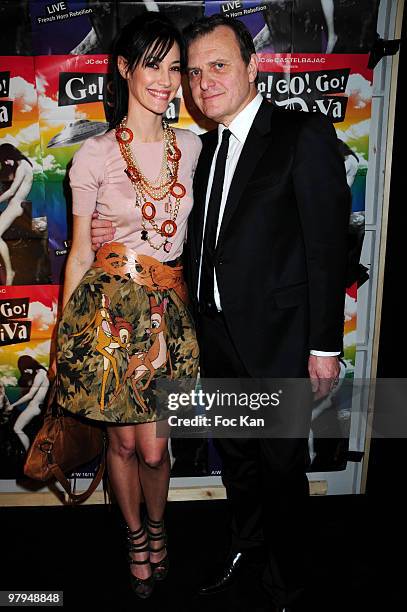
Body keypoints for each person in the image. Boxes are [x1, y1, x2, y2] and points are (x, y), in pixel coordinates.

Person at [91, 13, 350, 611]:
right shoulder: (200, 149)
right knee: (237, 458)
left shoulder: (301, 135)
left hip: (282, 342)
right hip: (216, 336)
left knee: (281, 467)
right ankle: (246, 546)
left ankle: (286, 579)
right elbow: (177, 229)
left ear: (253, 67)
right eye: (194, 70)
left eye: (219, 65)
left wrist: (324, 347)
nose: (203, 81)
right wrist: (114, 228)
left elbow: (327, 246)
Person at [56, 13, 201, 599]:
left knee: (155, 445)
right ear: (124, 68)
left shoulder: (193, 147)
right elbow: (78, 253)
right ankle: (136, 534)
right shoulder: (91, 155)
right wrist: (67, 341)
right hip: (109, 315)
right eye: (153, 65)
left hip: (169, 309)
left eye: (174, 68)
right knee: (121, 443)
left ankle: (159, 523)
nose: (166, 80)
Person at [0, 143, 34, 285]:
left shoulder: (22, 167)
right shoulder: (23, 165)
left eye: (6, 159)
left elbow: (11, 192)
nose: (5, 163)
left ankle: (10, 272)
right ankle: (9, 272)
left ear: (11, 154)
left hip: (16, 206)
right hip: (15, 206)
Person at [8, 356, 49, 452]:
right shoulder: (42, 373)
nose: (25, 371)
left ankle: (28, 453)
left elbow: (30, 395)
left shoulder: (39, 375)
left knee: (17, 428)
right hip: (37, 408)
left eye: (25, 369)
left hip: (33, 408)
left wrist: (13, 405)